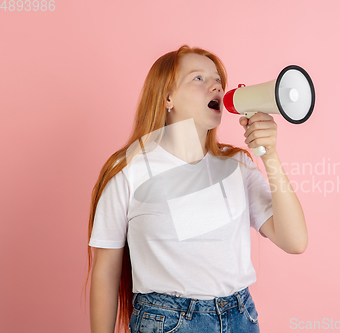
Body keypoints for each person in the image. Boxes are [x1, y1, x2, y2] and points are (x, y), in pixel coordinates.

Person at [85, 45, 308, 333]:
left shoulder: (238, 165)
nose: (215, 84)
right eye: (198, 78)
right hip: (167, 322)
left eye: (217, 79)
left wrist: (270, 155)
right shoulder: (128, 169)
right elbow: (106, 272)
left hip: (240, 318)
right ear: (168, 97)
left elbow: (295, 241)